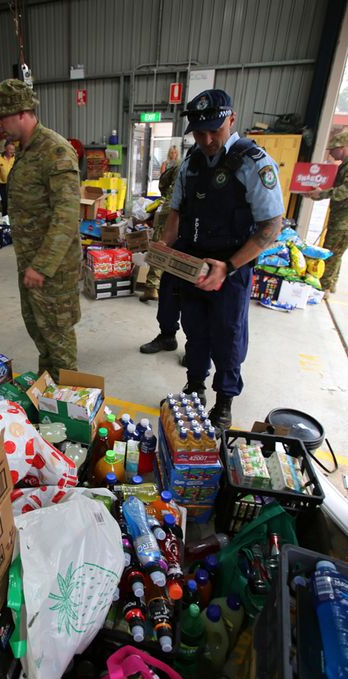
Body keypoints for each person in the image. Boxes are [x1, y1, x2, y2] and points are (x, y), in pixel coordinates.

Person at [140, 89, 283, 432]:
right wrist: (162, 246)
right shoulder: (190, 164)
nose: (206, 140)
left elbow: (270, 226)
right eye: (199, 133)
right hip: (193, 266)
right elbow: (176, 211)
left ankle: (224, 402)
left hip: (230, 269)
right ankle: (194, 389)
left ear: (231, 120)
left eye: (213, 131)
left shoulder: (253, 162)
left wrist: (229, 266)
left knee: (228, 336)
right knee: (196, 332)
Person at [0, 79, 81, 379]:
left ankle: (69, 407)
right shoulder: (24, 150)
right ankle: (48, 389)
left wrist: (40, 266)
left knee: (59, 342)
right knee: (41, 334)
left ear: (23, 112)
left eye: (2, 117)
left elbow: (66, 216)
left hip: (52, 270)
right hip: (30, 264)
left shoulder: (55, 151)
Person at [301, 131, 348, 297]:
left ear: (343, 147)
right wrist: (313, 192)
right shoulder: (344, 165)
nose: (331, 153)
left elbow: (344, 190)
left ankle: (323, 288)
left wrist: (321, 194)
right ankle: (331, 284)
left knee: (331, 252)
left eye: (333, 149)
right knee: (337, 252)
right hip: (340, 218)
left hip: (344, 221)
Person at [139, 163, 180, 302]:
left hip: (171, 207)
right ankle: (175, 290)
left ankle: (152, 287)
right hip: (193, 212)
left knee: (161, 245)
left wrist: (166, 195)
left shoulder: (181, 162)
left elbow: (163, 181)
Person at [0, 140, 16, 216]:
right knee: (5, 203)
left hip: (14, 184)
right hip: (3, 184)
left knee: (14, 203)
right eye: (10, 150)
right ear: (5, 149)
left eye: (13, 150)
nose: (12, 152)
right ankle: (5, 220)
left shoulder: (16, 158)